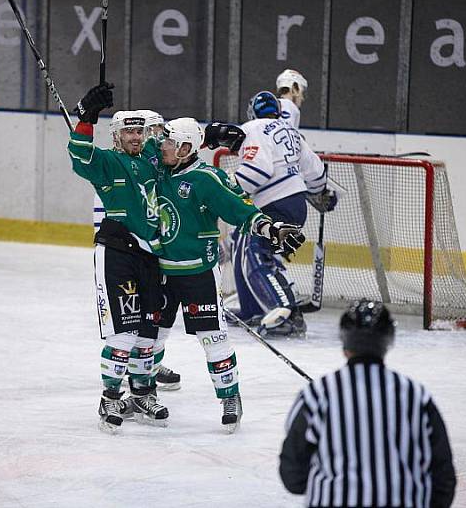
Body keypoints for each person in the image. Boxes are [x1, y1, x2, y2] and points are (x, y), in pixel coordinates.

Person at [154, 117, 304, 433]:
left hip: (199, 275)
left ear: (184, 149)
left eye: (169, 142)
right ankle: (144, 391)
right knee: (152, 336)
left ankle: (230, 397)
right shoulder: (158, 169)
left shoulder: (206, 180)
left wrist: (271, 227)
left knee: (214, 339)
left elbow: (239, 209)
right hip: (162, 273)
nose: (161, 146)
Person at [279, 299, 457, 507]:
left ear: (345, 344)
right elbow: (443, 477)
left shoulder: (316, 395)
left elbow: (293, 477)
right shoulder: (416, 396)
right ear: (388, 343)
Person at [68, 84, 169, 433]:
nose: (136, 136)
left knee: (148, 333)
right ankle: (110, 397)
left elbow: (177, 151)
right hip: (117, 255)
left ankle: (142, 393)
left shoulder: (152, 163)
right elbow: (79, 156)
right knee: (123, 333)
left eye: (139, 131)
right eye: (128, 130)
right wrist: (86, 117)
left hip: (151, 256)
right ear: (116, 135)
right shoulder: (109, 162)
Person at [222, 91, 337, 337]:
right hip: (296, 204)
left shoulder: (252, 128)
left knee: (255, 256)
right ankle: (253, 309)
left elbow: (257, 170)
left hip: (273, 204)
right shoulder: (291, 131)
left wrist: (226, 193)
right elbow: (316, 172)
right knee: (246, 249)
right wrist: (320, 192)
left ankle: (284, 313)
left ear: (252, 112)